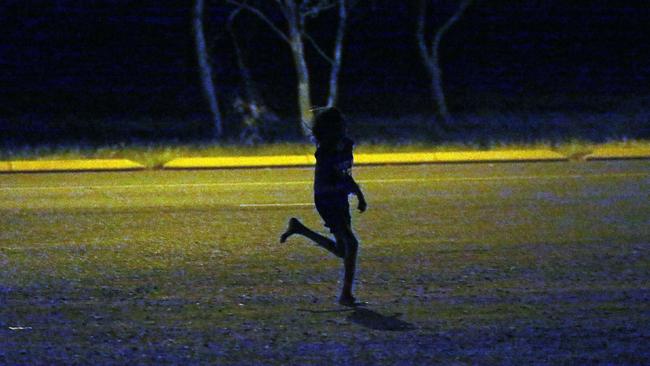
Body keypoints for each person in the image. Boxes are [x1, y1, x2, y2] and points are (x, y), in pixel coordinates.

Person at [280, 107, 367, 307]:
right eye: (340, 124)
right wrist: (350, 189)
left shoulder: (346, 146)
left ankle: (299, 229)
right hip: (327, 200)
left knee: (342, 249)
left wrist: (359, 195)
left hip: (340, 198)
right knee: (351, 245)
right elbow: (334, 178)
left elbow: (346, 173)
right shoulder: (325, 152)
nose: (345, 127)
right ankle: (346, 295)